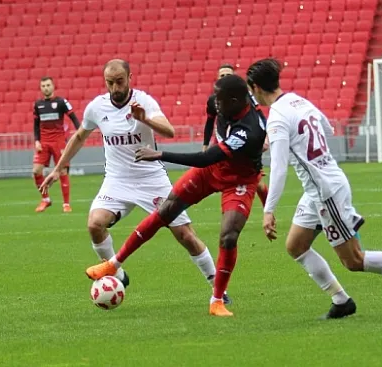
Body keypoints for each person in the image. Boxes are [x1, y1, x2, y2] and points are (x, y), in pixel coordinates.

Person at [252, 58, 382, 320]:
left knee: (353, 260)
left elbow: (278, 168)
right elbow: (326, 126)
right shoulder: (297, 101)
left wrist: (268, 210)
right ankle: (341, 300)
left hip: (326, 191)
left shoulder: (276, 118)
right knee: (296, 245)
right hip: (317, 189)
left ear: (256, 88)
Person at [41, 60, 225, 302]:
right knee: (95, 224)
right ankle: (117, 273)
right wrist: (57, 169)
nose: (115, 87)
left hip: (151, 178)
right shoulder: (97, 107)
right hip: (117, 180)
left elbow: (169, 131)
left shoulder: (144, 101)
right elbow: (78, 136)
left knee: (185, 234)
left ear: (129, 77)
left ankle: (218, 288)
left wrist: (145, 119)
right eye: (110, 83)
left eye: (119, 81)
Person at [85, 74, 267, 317]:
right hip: (213, 170)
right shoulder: (222, 101)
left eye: (221, 100)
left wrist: (161, 155)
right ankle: (113, 264)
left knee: (228, 236)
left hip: (239, 180)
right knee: (166, 211)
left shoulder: (250, 131)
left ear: (236, 100)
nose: (215, 103)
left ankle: (217, 300)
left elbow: (205, 159)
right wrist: (206, 138)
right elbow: (211, 120)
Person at [203, 64, 269, 207]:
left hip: (242, 141)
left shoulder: (245, 97)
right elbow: (209, 122)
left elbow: (259, 115)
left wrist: (265, 137)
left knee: (257, 183)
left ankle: (268, 208)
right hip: (222, 141)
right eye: (222, 76)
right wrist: (205, 145)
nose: (225, 78)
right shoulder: (213, 101)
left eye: (228, 75)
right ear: (217, 79)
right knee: (210, 173)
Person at [32, 77, 80, 213]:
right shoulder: (38, 105)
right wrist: (37, 140)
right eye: (43, 86)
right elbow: (36, 125)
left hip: (58, 141)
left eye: (48, 85)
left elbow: (74, 118)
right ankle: (46, 199)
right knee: (36, 171)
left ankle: (66, 204)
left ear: (53, 86)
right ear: (41, 88)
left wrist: (80, 133)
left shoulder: (61, 102)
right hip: (44, 142)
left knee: (63, 171)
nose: (45, 88)